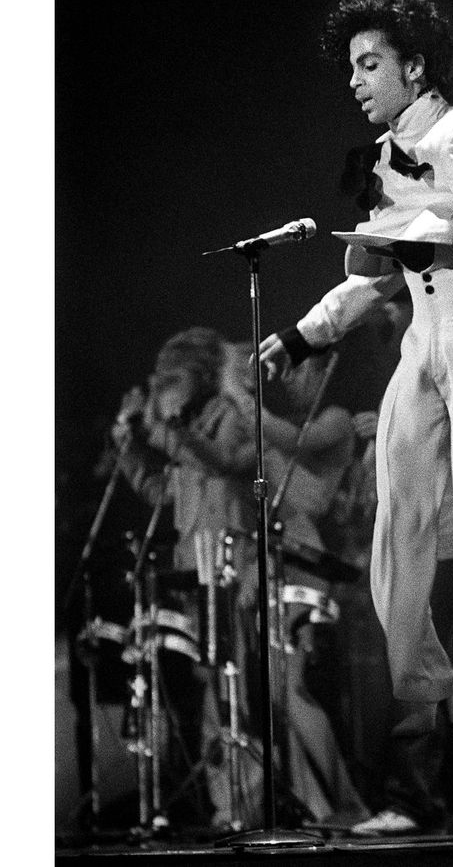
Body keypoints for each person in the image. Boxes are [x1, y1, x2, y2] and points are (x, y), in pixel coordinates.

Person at [258, 0, 453, 751]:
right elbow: (378, 269)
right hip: (423, 338)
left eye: (371, 64)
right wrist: (303, 335)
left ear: (415, 66)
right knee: (397, 514)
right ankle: (422, 690)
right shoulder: (385, 157)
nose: (358, 81)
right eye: (353, 69)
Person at [111, 326, 257, 827]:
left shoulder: (227, 416)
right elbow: (161, 493)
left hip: (234, 562)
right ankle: (226, 805)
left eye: (171, 377)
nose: (163, 387)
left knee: (235, 685)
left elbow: (228, 463)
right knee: (210, 682)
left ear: (196, 377)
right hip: (193, 565)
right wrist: (132, 446)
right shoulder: (186, 429)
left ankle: (250, 801)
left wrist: (168, 426)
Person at [221, 345, 370, 827]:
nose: (288, 379)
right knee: (278, 695)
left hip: (307, 561)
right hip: (272, 559)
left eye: (299, 368)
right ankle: (315, 803)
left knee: (293, 690)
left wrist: (241, 398)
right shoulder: (279, 428)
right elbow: (230, 460)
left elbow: (292, 442)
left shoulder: (336, 419)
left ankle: (340, 805)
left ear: (325, 369)